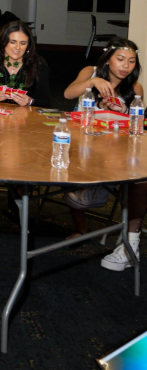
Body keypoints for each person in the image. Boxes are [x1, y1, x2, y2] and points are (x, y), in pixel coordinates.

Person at [63, 38, 146, 258]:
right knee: (73, 165)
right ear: (108, 60)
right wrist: (93, 82)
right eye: (120, 59)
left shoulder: (135, 88)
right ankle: (80, 227)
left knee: (138, 175)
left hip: (114, 149)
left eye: (131, 61)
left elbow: (135, 125)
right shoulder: (90, 72)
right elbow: (68, 94)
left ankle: (129, 233)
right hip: (82, 141)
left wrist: (118, 110)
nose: (125, 66)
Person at [0, 21, 50, 108]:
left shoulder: (38, 66)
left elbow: (46, 102)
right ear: (3, 43)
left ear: (28, 46)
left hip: (26, 118)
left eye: (23, 43)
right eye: (12, 42)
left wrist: (30, 101)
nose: (17, 47)